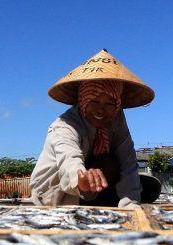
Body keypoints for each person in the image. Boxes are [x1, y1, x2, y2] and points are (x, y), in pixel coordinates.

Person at [31, 49, 161, 208]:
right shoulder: (65, 125)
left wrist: (130, 204)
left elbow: (127, 158)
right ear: (83, 99)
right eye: (94, 101)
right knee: (109, 164)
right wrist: (81, 178)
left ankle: (105, 199)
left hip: (97, 185)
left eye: (109, 103)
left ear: (117, 105)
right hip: (56, 191)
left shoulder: (116, 117)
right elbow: (68, 157)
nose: (101, 110)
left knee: (150, 187)